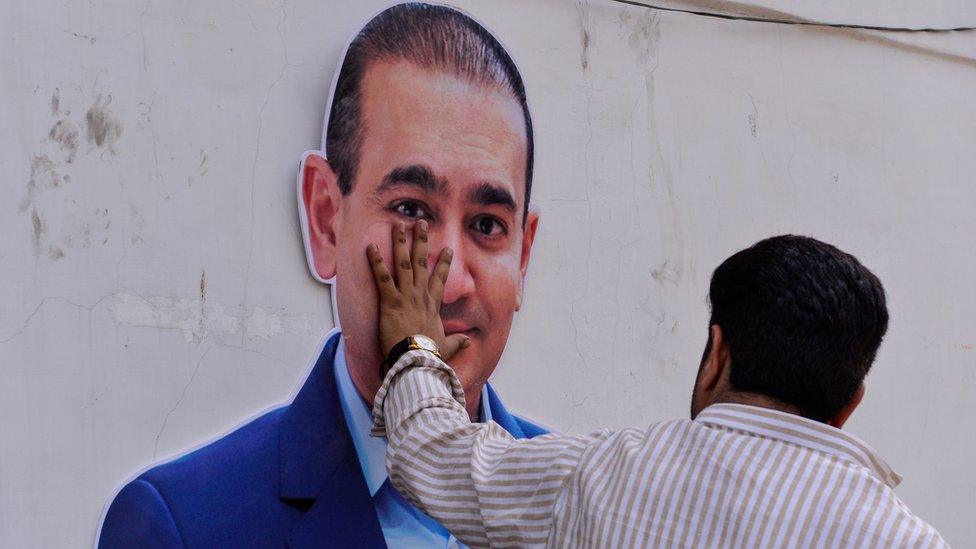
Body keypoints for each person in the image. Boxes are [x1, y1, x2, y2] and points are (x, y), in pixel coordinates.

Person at [98, 4, 545, 547]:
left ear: (522, 258)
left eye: (486, 224)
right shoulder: (186, 526)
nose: (449, 285)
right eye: (410, 210)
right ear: (326, 219)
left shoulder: (583, 508)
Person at [368, 224, 949, 548]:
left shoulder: (602, 476)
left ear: (715, 355)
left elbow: (434, 457)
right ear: (849, 406)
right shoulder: (907, 540)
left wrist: (415, 346)